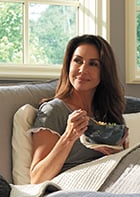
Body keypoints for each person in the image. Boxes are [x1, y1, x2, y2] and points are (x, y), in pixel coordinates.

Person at [29, 34, 127, 183]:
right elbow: (37, 178)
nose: (82, 70)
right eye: (77, 61)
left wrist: (116, 153)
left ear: (105, 71)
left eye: (93, 64)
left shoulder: (107, 112)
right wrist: (69, 136)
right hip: (72, 189)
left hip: (110, 185)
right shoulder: (53, 111)